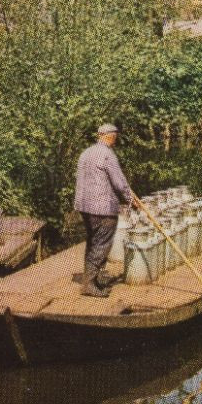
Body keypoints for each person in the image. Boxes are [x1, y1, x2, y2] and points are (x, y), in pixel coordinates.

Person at [73, 122, 132, 297]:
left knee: (93, 241)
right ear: (111, 136)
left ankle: (93, 279)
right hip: (102, 208)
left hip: (84, 206)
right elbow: (119, 183)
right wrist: (130, 199)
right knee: (102, 244)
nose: (116, 139)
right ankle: (89, 285)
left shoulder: (85, 153)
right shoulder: (108, 154)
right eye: (116, 136)